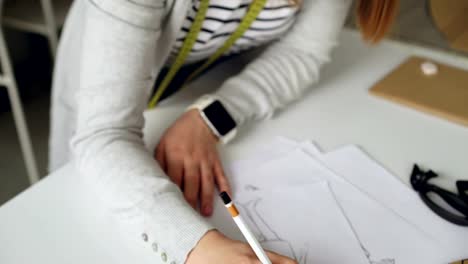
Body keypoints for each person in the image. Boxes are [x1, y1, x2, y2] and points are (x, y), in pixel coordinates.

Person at [49, 0, 398, 263]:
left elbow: (302, 52)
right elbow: (104, 133)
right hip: (102, 90)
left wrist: (211, 117)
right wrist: (197, 246)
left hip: (198, 85)